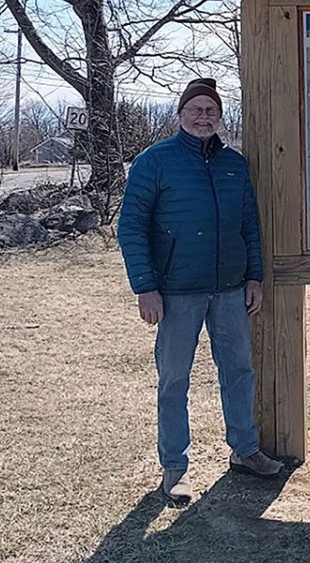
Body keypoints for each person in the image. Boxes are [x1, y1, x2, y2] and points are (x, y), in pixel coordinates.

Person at [117, 77, 283, 507]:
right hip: (176, 292)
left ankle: (245, 451)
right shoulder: (154, 163)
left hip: (229, 289)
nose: (204, 116)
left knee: (240, 372)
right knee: (174, 380)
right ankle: (174, 469)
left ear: (220, 117)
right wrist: (146, 287)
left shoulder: (235, 165)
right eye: (196, 109)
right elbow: (131, 227)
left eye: (211, 110)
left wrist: (254, 276)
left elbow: (249, 223)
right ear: (181, 114)